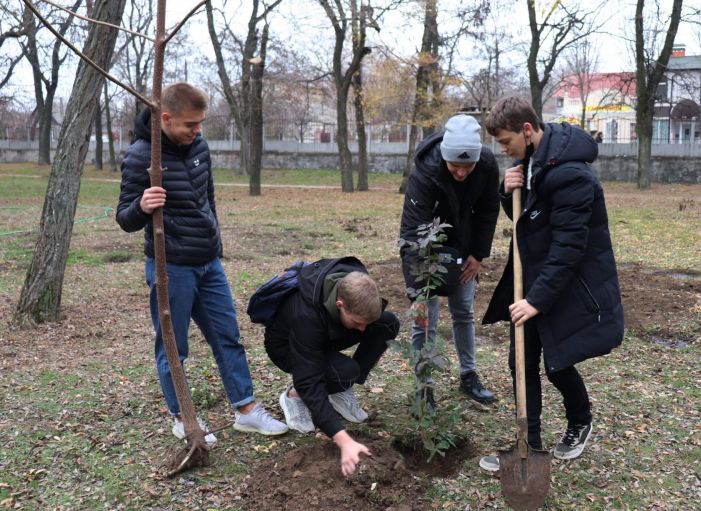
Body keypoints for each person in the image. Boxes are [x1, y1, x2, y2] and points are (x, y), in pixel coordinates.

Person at [116, 82, 288, 444]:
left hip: (209, 264)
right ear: (166, 118)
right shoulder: (140, 156)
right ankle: (184, 419)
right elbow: (124, 218)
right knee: (174, 347)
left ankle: (246, 411)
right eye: (190, 125)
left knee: (228, 336)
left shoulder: (199, 148)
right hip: (171, 269)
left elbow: (207, 200)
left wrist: (216, 242)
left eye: (200, 124)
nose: (197, 131)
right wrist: (142, 206)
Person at [478, 96, 624, 470]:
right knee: (520, 361)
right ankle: (530, 444)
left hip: (566, 282)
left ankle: (580, 420)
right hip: (533, 277)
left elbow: (569, 248)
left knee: (557, 362)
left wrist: (536, 300)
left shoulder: (572, 174)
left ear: (528, 131)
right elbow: (526, 218)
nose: (505, 150)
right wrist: (505, 190)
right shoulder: (531, 162)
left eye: (507, 142)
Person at [259, 257, 399, 476]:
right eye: (357, 322)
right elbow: (309, 379)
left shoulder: (355, 280)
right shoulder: (306, 315)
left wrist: (360, 322)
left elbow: (366, 322)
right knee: (345, 372)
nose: (363, 330)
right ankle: (294, 396)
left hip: (327, 332)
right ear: (339, 304)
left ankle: (340, 387)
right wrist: (342, 439)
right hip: (287, 346)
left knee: (387, 323)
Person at [399, 114, 500, 407]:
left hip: (465, 246)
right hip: (425, 249)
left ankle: (469, 376)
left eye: (467, 165)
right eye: (455, 164)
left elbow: (488, 210)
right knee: (424, 319)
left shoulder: (487, 165)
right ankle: (424, 386)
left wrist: (478, 255)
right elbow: (411, 231)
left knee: (464, 313)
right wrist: (418, 285)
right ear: (444, 156)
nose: (460, 172)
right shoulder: (425, 172)